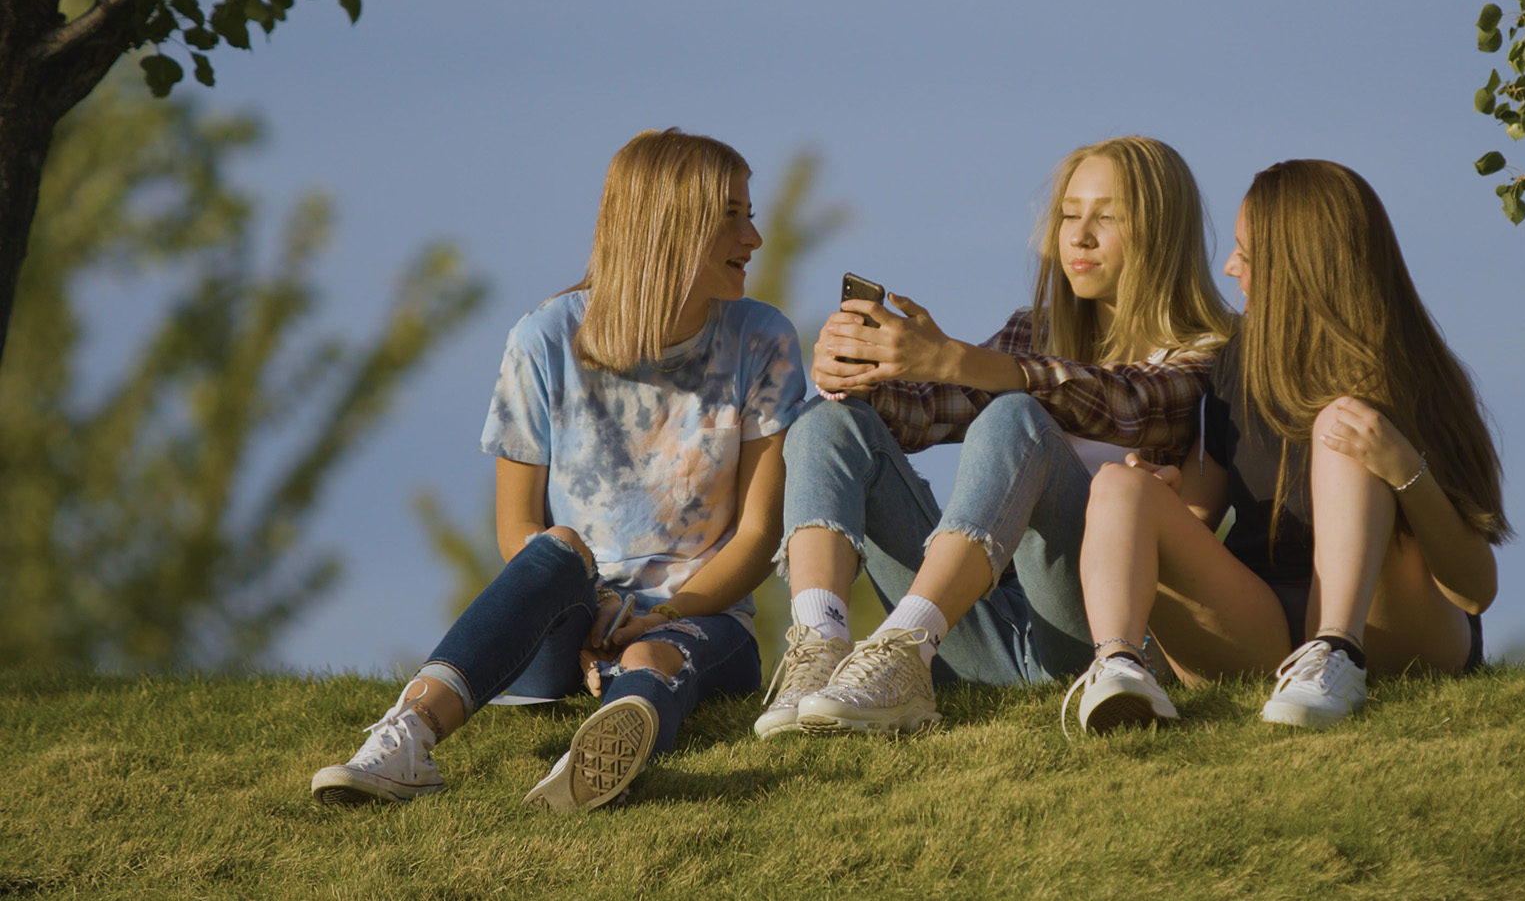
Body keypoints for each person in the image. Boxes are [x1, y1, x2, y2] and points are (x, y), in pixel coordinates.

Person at [311, 129, 806, 809]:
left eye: (750, 215)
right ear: (666, 223)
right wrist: (599, 609)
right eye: (731, 216)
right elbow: (517, 526)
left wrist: (657, 617)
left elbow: (756, 536)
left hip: (701, 617)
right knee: (557, 545)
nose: (754, 238)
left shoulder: (764, 339)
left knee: (652, 657)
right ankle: (407, 738)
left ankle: (597, 765)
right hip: (569, 615)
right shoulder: (543, 339)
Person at [754, 136, 1237, 737]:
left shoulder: (1212, 357)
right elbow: (923, 414)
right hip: (983, 632)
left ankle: (904, 647)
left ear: (1162, 231)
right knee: (829, 420)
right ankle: (819, 650)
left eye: (1107, 217)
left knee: (1015, 417)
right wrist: (863, 374)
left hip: (1097, 633)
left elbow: (1130, 402)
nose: (1080, 236)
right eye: (1069, 215)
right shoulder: (1032, 334)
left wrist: (957, 360)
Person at [1063, 159, 1507, 735]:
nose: (1230, 267)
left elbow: (1475, 591)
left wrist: (1403, 468)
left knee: (1341, 427)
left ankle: (1337, 652)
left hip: (1395, 626)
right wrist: (1159, 498)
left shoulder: (1414, 375)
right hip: (1264, 626)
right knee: (1119, 486)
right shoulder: (1238, 363)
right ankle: (1120, 667)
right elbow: (1194, 518)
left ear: (1302, 263)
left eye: (1246, 253)